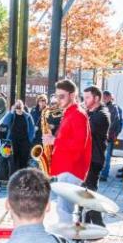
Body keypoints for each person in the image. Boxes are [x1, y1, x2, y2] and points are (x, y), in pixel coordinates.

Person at [44, 80, 91, 225]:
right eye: (57, 96)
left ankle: (68, 241)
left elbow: (79, 144)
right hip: (65, 166)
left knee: (64, 210)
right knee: (63, 209)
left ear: (73, 95)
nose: (58, 100)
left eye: (62, 96)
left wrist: (54, 141)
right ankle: (68, 239)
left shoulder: (78, 114)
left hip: (71, 167)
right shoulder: (70, 113)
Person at [82, 86, 110, 225]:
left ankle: (99, 225)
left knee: (89, 193)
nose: (84, 100)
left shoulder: (102, 114)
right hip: (87, 158)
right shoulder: (90, 112)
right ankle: (84, 224)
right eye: (84, 97)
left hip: (94, 158)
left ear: (97, 98)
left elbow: (83, 130)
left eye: (87, 97)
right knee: (82, 193)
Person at [0, 100, 36, 176]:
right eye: (17, 107)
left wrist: (30, 140)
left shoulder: (27, 116)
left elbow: (32, 129)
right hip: (13, 142)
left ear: (23, 107)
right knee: (13, 162)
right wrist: (11, 112)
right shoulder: (12, 115)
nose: (18, 109)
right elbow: (5, 122)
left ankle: (23, 179)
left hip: (24, 142)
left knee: (23, 161)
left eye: (20, 106)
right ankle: (13, 179)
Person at [100, 90, 122, 182]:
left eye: (105, 97)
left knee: (106, 156)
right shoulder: (102, 107)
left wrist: (110, 134)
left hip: (108, 136)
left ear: (109, 97)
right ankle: (100, 173)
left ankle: (104, 175)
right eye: (102, 97)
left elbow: (115, 123)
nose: (103, 99)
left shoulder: (113, 108)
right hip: (101, 135)